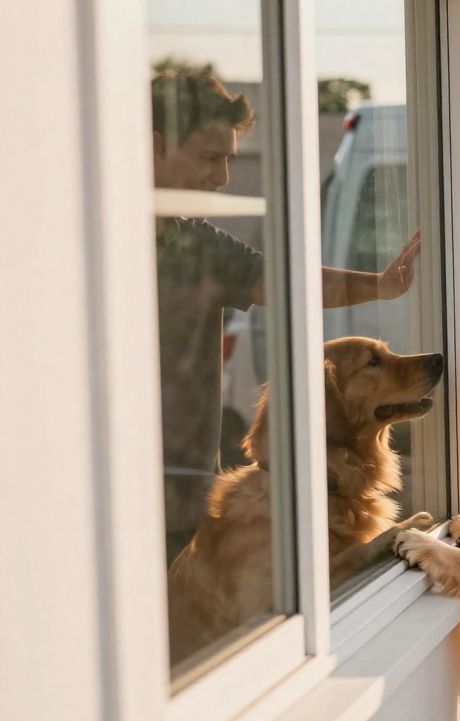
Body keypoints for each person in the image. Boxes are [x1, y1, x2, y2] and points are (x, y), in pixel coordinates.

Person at [151, 70, 421, 559]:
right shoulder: (85, 244)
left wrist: (380, 287)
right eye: (210, 158)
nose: (222, 178)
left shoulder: (200, 245)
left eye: (229, 160)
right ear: (155, 147)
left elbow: (286, 281)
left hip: (185, 504)